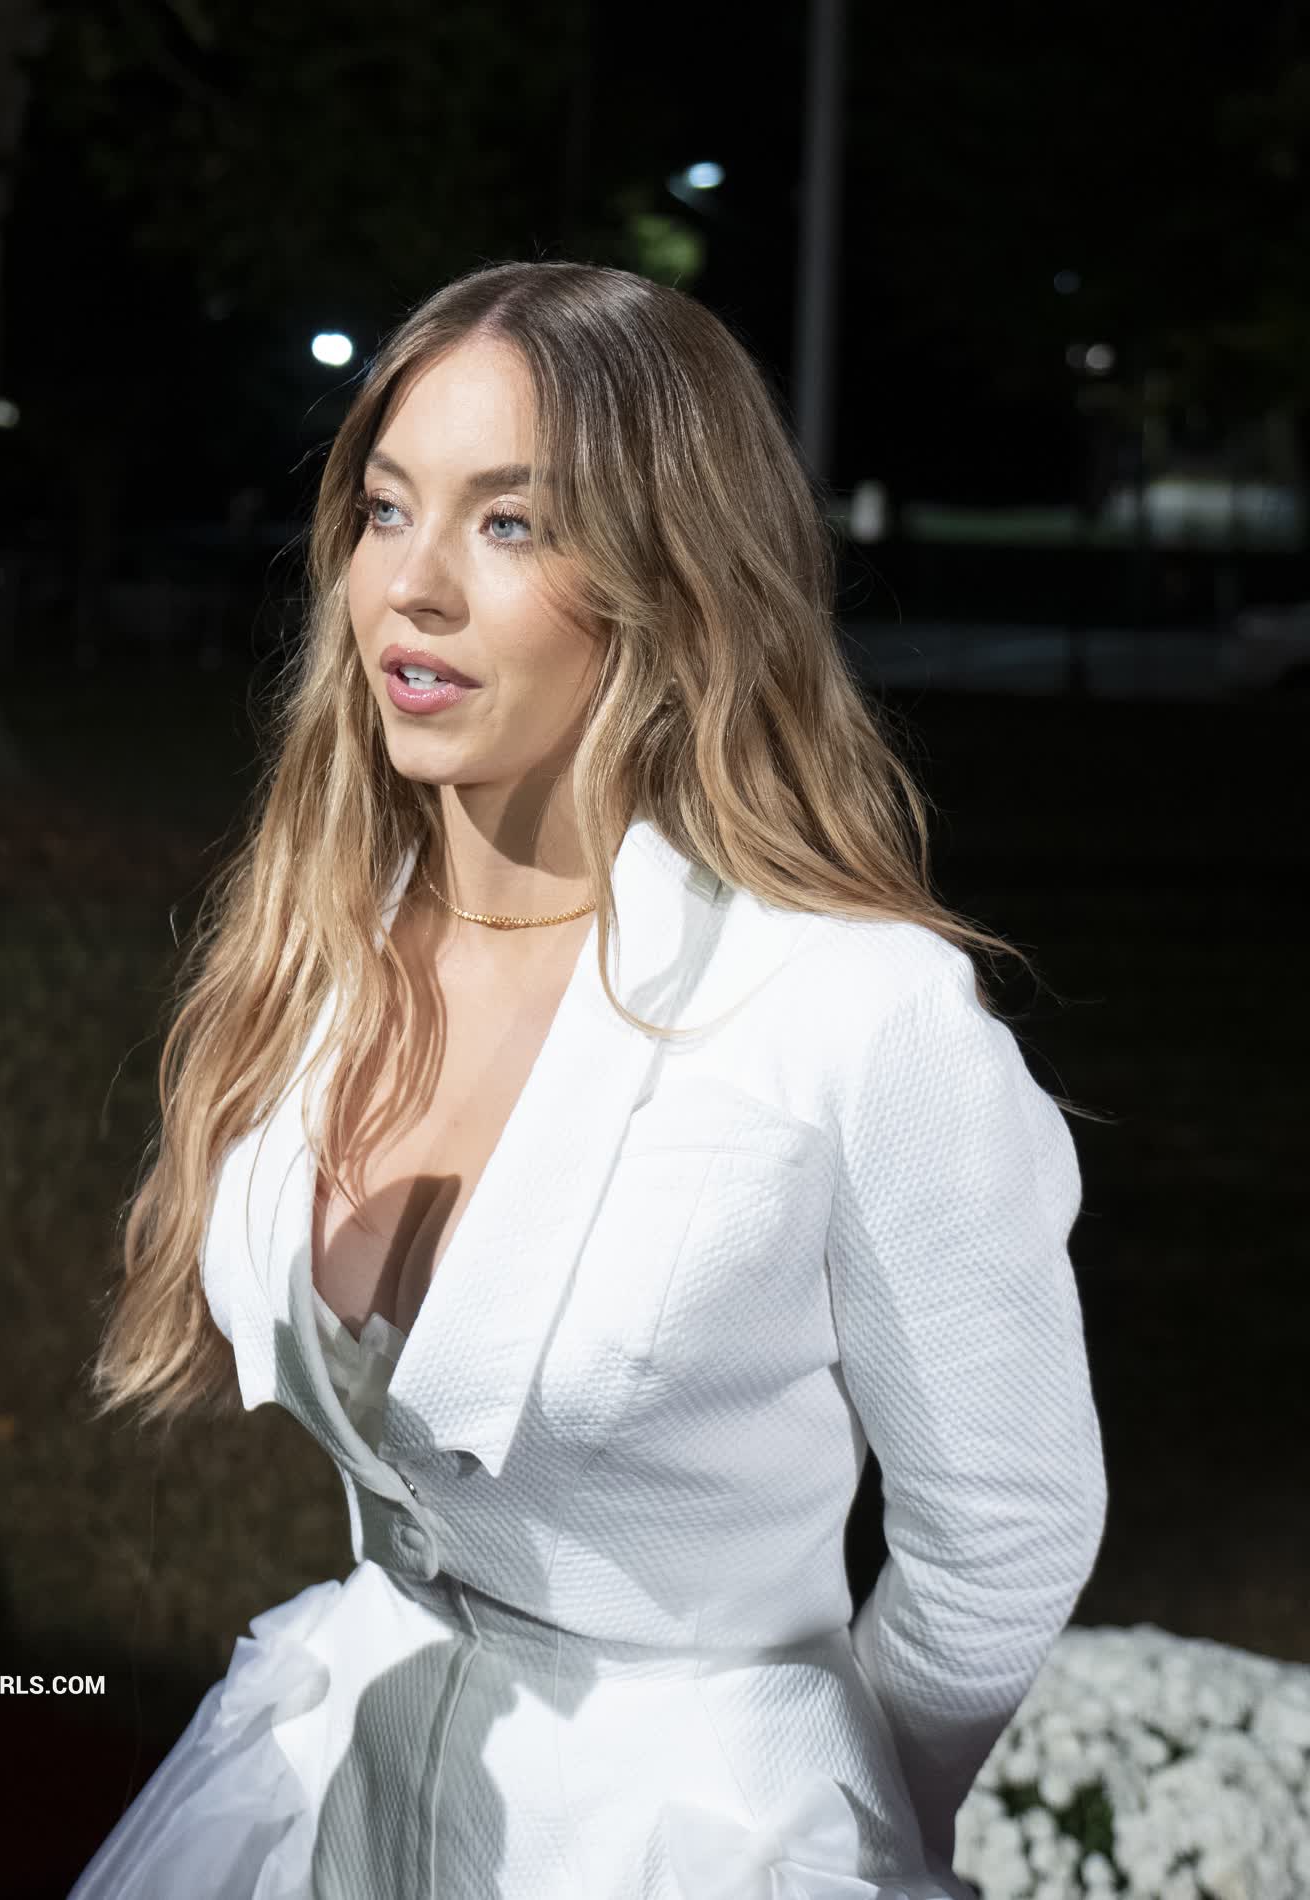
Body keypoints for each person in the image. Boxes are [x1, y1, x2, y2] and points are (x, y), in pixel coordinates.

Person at [67, 259, 1107, 1900]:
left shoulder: (855, 1011)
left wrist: (825, 1823)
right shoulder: (326, 947)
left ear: (673, 579)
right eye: (386, 508)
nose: (412, 586)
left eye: (510, 523)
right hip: (326, 1787)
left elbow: (1006, 1530)